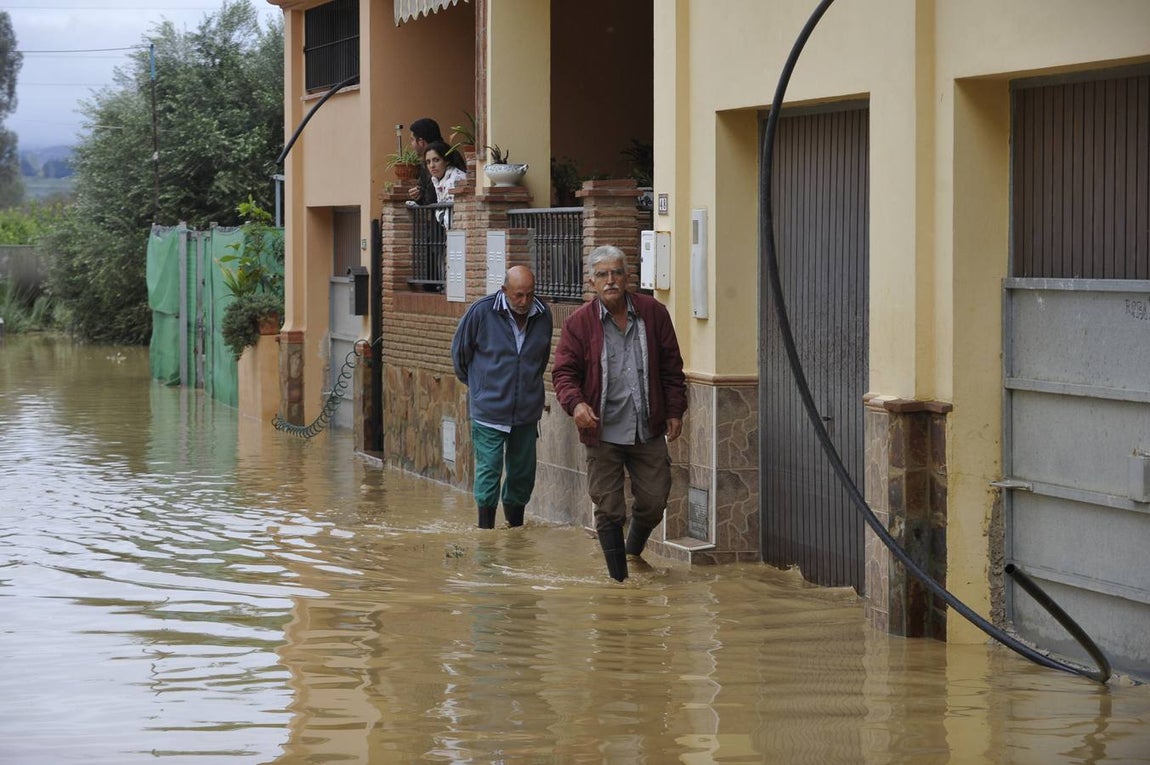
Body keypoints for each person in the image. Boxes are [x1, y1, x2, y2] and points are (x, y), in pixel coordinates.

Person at [552, 245, 687, 582]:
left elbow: (672, 366)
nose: (610, 280)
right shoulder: (578, 324)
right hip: (603, 431)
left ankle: (632, 551)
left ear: (628, 278)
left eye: (616, 273)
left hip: (646, 427)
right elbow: (563, 375)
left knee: (655, 500)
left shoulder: (653, 313)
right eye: (602, 275)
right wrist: (577, 404)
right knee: (609, 508)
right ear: (592, 282)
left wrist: (674, 410)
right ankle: (619, 582)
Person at [452, 266, 554, 529]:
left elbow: (539, 360)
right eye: (518, 295)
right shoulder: (481, 312)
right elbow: (460, 356)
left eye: (530, 295)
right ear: (504, 290)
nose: (524, 302)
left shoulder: (543, 315)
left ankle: (514, 530)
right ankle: (485, 531)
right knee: (489, 470)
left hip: (526, 412)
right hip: (489, 410)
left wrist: (528, 389)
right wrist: (480, 389)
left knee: (522, 474)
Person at [423, 140, 467, 227]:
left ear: (447, 160)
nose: (432, 165)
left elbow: (449, 221)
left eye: (436, 160)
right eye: (428, 162)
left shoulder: (456, 179)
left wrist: (438, 214)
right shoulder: (437, 179)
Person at [408, 117, 444, 205]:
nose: (432, 165)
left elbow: (431, 198)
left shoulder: (446, 157)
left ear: (421, 141)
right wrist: (419, 195)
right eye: (428, 162)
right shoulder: (448, 153)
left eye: (412, 139)